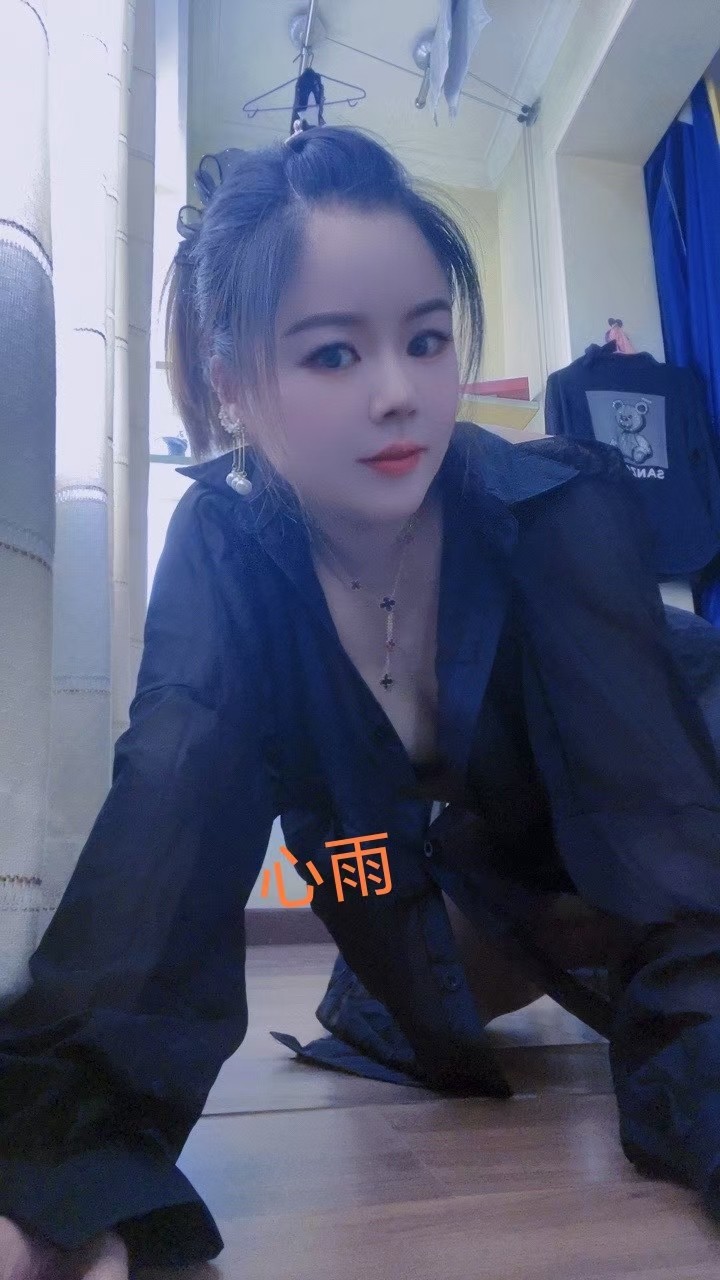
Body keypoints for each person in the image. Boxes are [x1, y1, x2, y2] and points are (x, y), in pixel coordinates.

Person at [2, 125, 720, 1278]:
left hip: (676, 779)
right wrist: (49, 1169)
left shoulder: (557, 513)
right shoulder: (228, 544)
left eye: (425, 339)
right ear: (234, 387)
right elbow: (168, 816)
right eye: (333, 353)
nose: (400, 394)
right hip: (461, 876)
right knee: (403, 999)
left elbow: (672, 860)